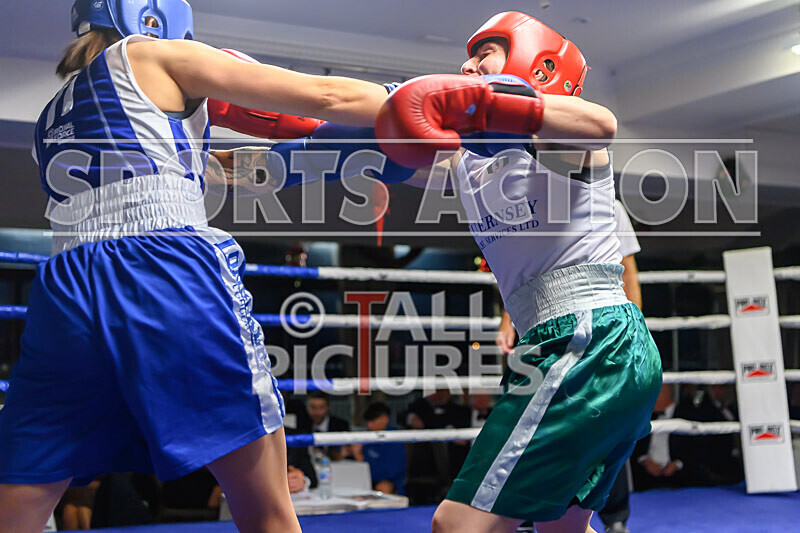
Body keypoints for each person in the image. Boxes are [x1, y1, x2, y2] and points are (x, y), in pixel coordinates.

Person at [0, 2, 393, 532]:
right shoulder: (154, 52)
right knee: (267, 510)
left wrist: (340, 156)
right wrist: (434, 105)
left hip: (65, 288)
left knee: (19, 501)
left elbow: (213, 170)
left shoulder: (54, 114)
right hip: (163, 270)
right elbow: (330, 95)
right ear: (156, 16)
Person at [374, 11, 663, 533]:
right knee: (564, 528)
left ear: (538, 64)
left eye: (485, 53)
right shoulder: (467, 161)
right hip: (575, 342)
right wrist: (284, 149)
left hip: (587, 338)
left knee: (456, 525)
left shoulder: (561, 143)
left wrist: (492, 100)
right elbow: (376, 141)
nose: (467, 64)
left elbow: (602, 124)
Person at [496, 200, 641, 533]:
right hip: (541, 331)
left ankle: (615, 517)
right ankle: (527, 510)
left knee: (604, 428)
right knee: (530, 426)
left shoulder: (607, 202)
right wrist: (507, 319)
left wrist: (634, 332)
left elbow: (627, 268)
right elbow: (524, 271)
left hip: (602, 331)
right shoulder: (527, 202)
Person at [344, 402, 407, 495]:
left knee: (383, 487)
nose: (369, 425)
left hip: (390, 484)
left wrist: (359, 457)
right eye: (368, 422)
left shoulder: (394, 439)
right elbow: (350, 464)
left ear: (384, 419)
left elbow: (389, 473)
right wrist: (346, 453)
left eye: (373, 421)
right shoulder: (366, 437)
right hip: (363, 481)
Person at [307, 392, 351, 460]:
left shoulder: (341, 425)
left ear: (328, 408)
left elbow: (346, 452)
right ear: (307, 408)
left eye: (321, 407)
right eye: (313, 407)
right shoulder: (303, 425)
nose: (317, 411)